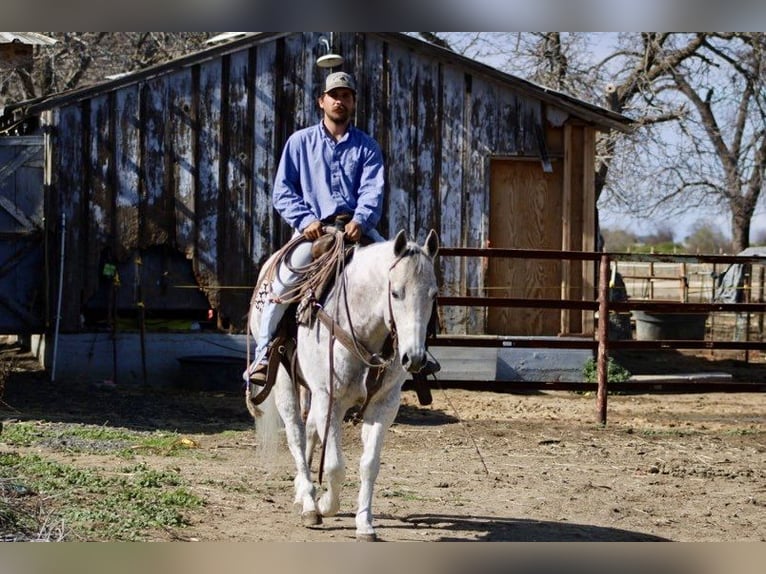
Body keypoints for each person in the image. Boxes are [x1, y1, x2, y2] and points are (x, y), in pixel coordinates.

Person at [249, 71, 386, 384]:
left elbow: (373, 191)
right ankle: (264, 353)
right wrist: (305, 220)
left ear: (353, 102)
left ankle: (401, 359)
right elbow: (282, 191)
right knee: (282, 284)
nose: (340, 101)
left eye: (346, 95)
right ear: (321, 101)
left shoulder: (367, 147)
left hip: (356, 229)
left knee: (398, 270)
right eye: (334, 95)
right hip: (314, 231)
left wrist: (360, 220)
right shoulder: (300, 143)